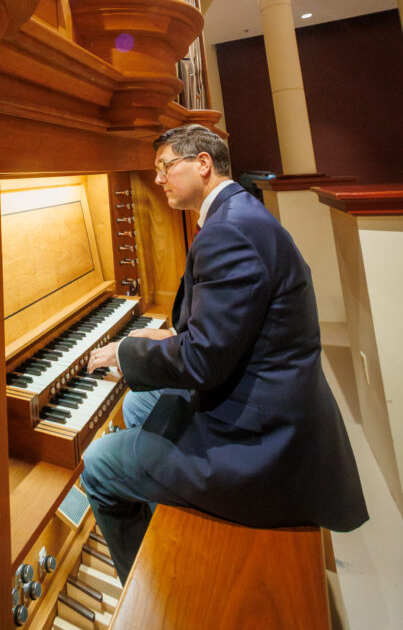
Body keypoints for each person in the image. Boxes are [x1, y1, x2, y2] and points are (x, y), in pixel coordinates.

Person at [81, 124, 368, 584]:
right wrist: (166, 341)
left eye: (164, 167)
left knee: (97, 464)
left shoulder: (228, 231)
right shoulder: (239, 214)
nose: (157, 180)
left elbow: (201, 362)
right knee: (138, 402)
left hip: (260, 442)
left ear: (203, 164)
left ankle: (154, 589)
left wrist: (128, 350)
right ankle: (172, 518)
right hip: (266, 399)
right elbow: (225, 332)